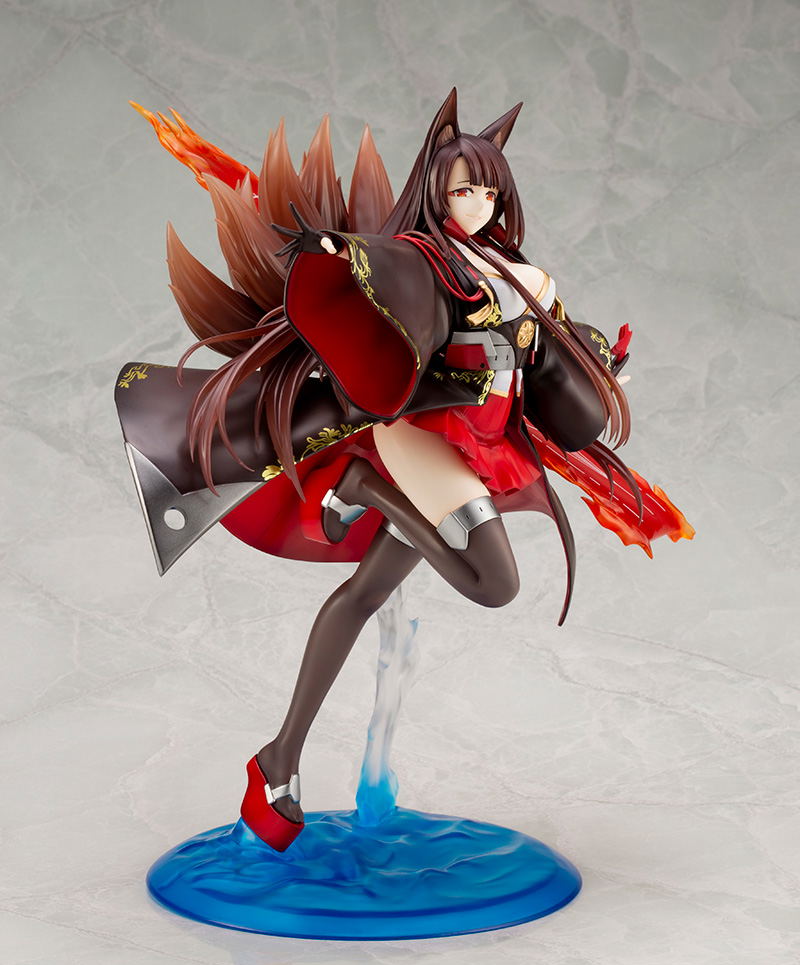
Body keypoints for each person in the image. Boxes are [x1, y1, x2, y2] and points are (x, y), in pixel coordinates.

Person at [119, 90, 693, 852]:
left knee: (364, 594)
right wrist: (341, 253)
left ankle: (278, 760)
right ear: (437, 192)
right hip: (424, 436)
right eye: (463, 190)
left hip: (482, 442)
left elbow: (553, 341)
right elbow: (387, 275)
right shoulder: (428, 259)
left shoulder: (522, 274)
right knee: (495, 582)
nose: (478, 204)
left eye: (488, 191)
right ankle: (360, 489)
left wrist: (596, 358)